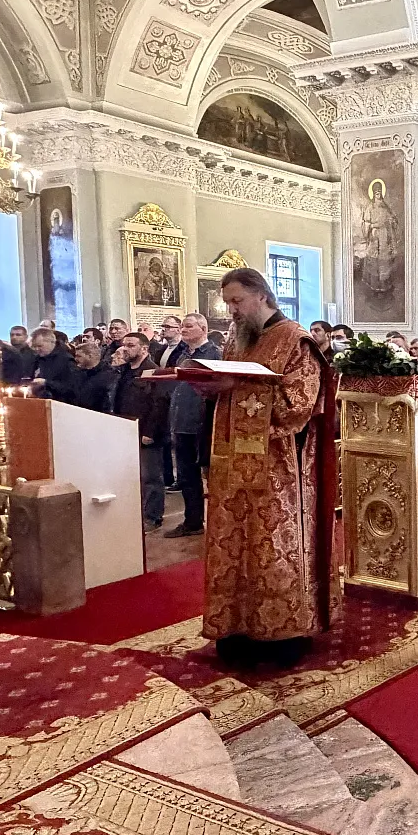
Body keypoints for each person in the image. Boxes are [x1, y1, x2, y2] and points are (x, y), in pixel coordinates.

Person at [187, 268, 338, 660]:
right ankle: (235, 628)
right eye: (228, 303)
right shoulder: (236, 341)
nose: (231, 311)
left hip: (279, 472)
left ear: (261, 296)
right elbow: (229, 391)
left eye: (237, 301)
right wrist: (211, 390)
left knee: (272, 548)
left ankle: (283, 635)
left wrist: (233, 391)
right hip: (231, 466)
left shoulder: (296, 341)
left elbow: (297, 406)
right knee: (233, 547)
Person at [162, 312, 214, 537]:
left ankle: (215, 521)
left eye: (189, 326)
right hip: (180, 421)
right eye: (182, 326)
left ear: (203, 329)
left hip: (200, 423)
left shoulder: (213, 354)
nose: (183, 329)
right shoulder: (182, 354)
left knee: (207, 475)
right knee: (185, 476)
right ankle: (192, 521)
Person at [112, 332, 170, 529]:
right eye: (124, 345)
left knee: (150, 476)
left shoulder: (154, 372)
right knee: (130, 475)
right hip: (126, 429)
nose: (125, 349)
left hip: (146, 432)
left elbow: (159, 405)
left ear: (144, 348)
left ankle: (153, 516)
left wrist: (150, 432)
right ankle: (135, 512)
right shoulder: (125, 371)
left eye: (130, 345)